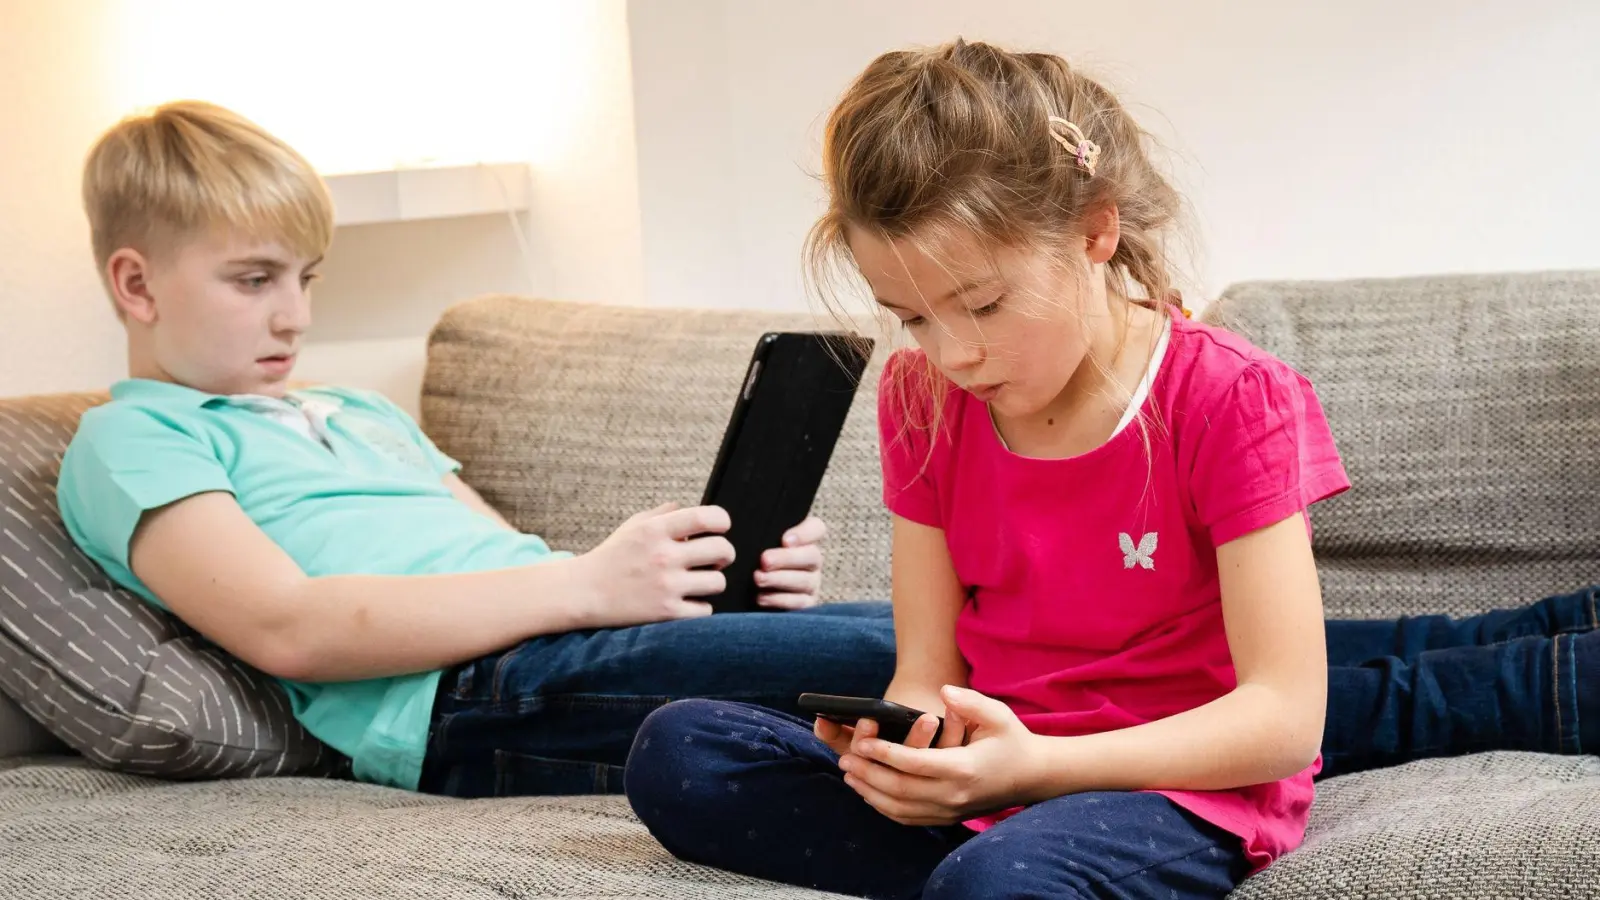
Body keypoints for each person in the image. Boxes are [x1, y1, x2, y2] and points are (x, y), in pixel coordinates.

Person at [622, 40, 1600, 900]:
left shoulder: (1229, 398)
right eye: (913, 316)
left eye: (983, 304)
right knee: (677, 752)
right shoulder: (918, 399)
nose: (952, 353)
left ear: (1095, 232)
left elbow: (1283, 720)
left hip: (1173, 788)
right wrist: (899, 749)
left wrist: (1032, 771)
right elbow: (926, 671)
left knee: (999, 877)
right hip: (994, 779)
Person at [56, 99, 897, 798]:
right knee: (899, 649)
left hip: (551, 647)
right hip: (455, 698)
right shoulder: (135, 436)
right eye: (253, 280)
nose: (295, 316)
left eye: (305, 278)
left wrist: (699, 584)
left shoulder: (355, 409)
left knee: (923, 630)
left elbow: (510, 559)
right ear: (137, 284)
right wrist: (585, 584)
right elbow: (288, 629)